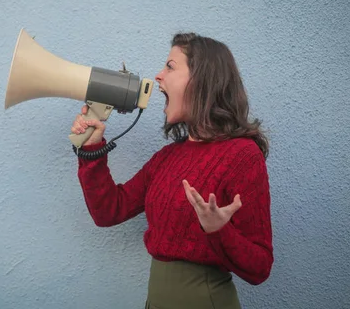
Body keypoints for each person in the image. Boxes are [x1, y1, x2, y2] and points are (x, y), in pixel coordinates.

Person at [70, 32, 273, 309]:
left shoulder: (242, 156)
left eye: (170, 66)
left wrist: (218, 230)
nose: (158, 76)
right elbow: (108, 211)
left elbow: (260, 267)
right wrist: (92, 151)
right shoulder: (167, 158)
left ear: (203, 80)